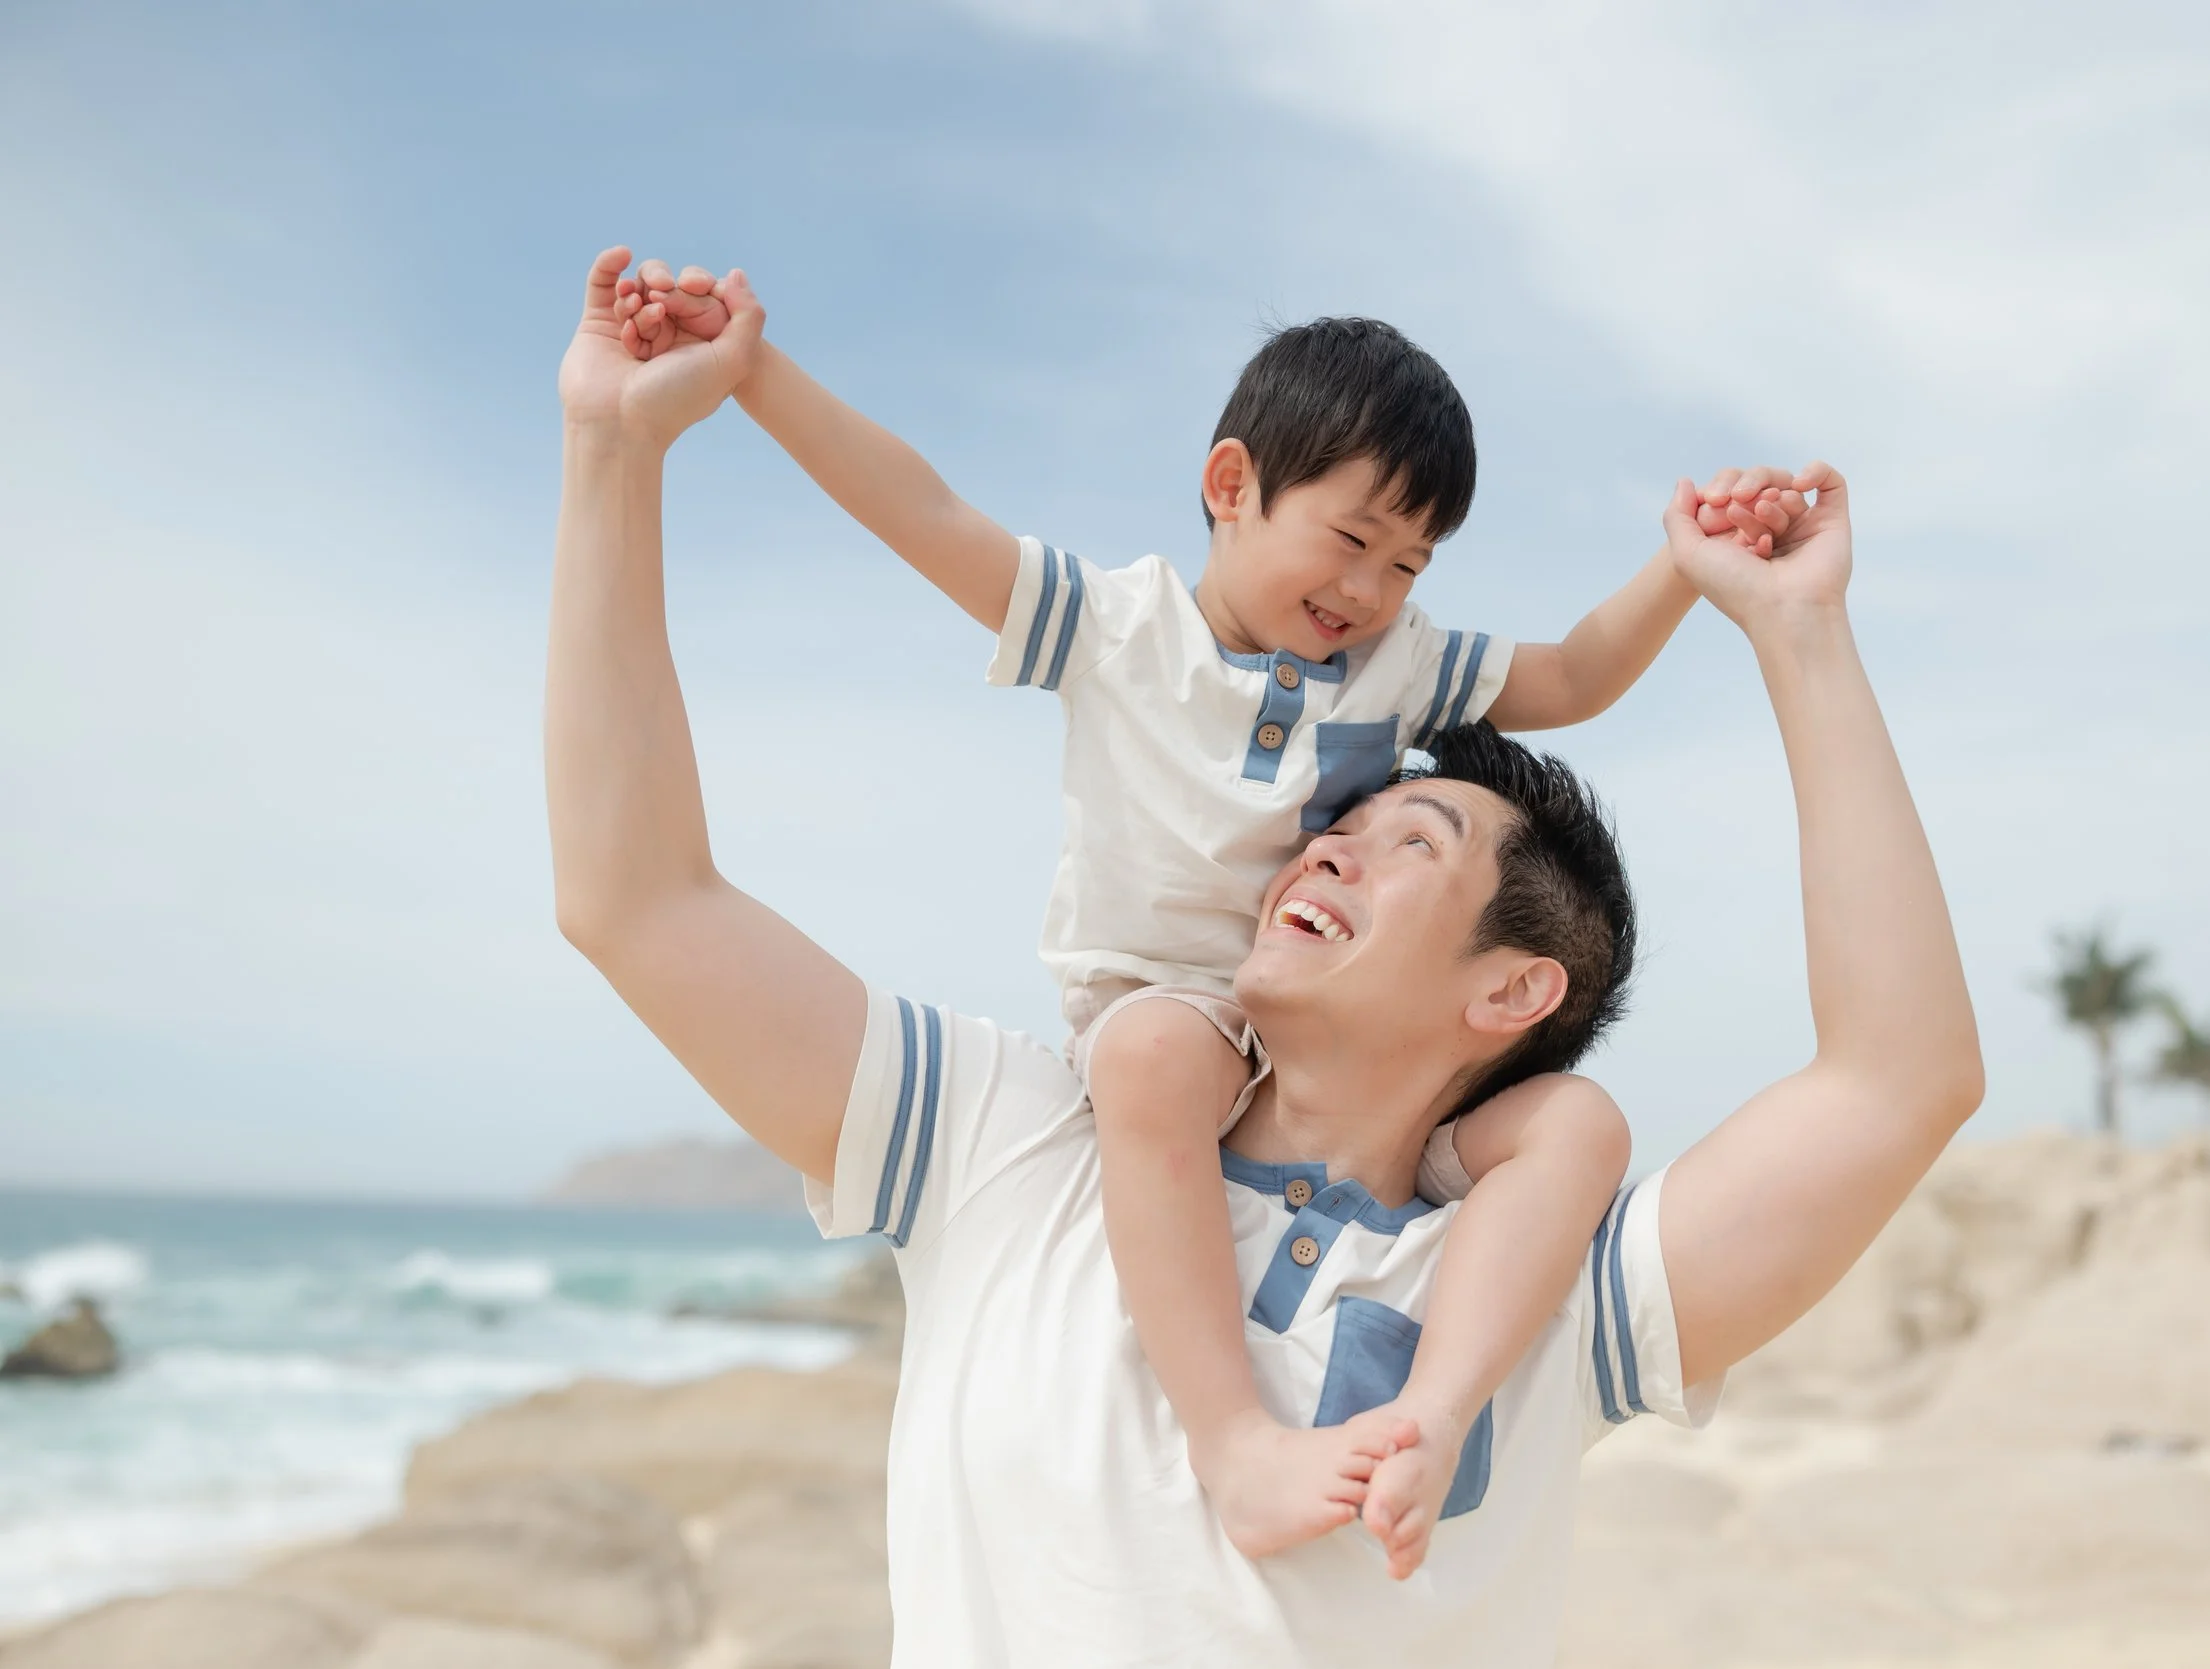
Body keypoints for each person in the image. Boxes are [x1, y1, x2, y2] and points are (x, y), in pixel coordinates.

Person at [549, 248, 1983, 1664]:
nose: (1323, 848)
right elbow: (639, 901)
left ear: (1511, 989)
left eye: (1409, 838)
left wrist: (1796, 629)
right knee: (1153, 1061)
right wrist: (615, 449)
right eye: (1338, 825)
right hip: (1132, 1051)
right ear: (1231, 485)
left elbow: (1897, 1080)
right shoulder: (1014, 1150)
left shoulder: (1544, 1288)